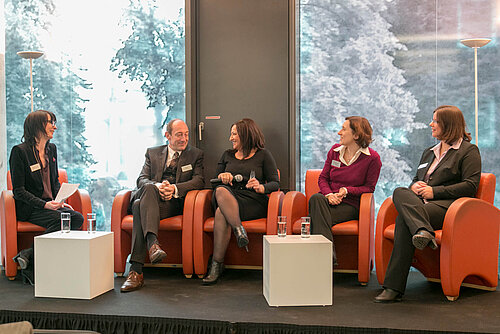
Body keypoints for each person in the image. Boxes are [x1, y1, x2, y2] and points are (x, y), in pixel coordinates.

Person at [374, 105, 481, 303]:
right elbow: (416, 179)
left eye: (435, 121)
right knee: (400, 191)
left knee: (403, 222)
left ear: (448, 125)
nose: (430, 124)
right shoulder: (428, 152)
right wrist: (415, 186)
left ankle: (393, 288)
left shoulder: (468, 151)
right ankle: (423, 230)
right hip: (421, 206)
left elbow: (470, 186)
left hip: (448, 208)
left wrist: (434, 191)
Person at [120, 119, 204, 292]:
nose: (184, 138)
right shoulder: (152, 153)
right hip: (153, 197)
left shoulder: (195, 155)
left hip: (172, 204)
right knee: (148, 189)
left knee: (137, 206)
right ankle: (152, 245)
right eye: (179, 134)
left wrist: (173, 189)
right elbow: (141, 180)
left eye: (186, 134)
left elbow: (199, 181)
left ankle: (136, 271)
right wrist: (158, 187)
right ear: (167, 135)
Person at [9, 110, 84, 284]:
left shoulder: (51, 149)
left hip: (50, 204)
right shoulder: (19, 152)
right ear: (37, 126)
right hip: (30, 207)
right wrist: (45, 205)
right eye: (51, 122)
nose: (55, 127)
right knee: (60, 221)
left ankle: (28, 254)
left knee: (77, 218)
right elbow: (18, 191)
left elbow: (55, 180)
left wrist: (60, 200)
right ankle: (39, 264)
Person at [202, 118, 279, 285]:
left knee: (220, 213)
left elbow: (275, 183)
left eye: (234, 134)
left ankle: (216, 265)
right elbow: (213, 182)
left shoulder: (263, 155)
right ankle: (239, 230)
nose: (231, 138)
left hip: (251, 200)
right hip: (227, 196)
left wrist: (261, 187)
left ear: (245, 135)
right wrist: (222, 177)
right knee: (221, 191)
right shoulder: (227, 155)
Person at [309, 116, 382, 265]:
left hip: (350, 204)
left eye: (343, 129)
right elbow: (323, 178)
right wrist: (329, 195)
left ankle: (323, 260)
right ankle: (327, 259)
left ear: (356, 135)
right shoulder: (334, 151)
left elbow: (369, 188)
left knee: (316, 214)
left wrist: (346, 191)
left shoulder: (372, 159)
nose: (339, 132)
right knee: (316, 199)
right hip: (327, 201)